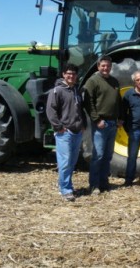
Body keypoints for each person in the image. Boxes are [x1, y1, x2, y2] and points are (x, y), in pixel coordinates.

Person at [46, 63, 87, 202]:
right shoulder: (57, 91)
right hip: (65, 132)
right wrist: (59, 127)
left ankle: (67, 186)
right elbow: (50, 111)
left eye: (74, 74)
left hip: (77, 131)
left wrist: (83, 125)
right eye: (68, 73)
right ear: (63, 74)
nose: (71, 76)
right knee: (65, 162)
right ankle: (66, 190)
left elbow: (80, 110)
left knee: (72, 161)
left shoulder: (76, 90)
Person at [83, 55, 122, 195]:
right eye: (103, 66)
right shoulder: (93, 81)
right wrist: (96, 119)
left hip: (112, 123)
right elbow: (88, 101)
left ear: (111, 67)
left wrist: (120, 118)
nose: (106, 68)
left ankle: (104, 183)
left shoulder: (114, 81)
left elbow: (118, 102)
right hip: (101, 123)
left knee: (108, 155)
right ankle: (94, 185)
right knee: (98, 155)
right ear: (98, 66)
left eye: (108, 66)